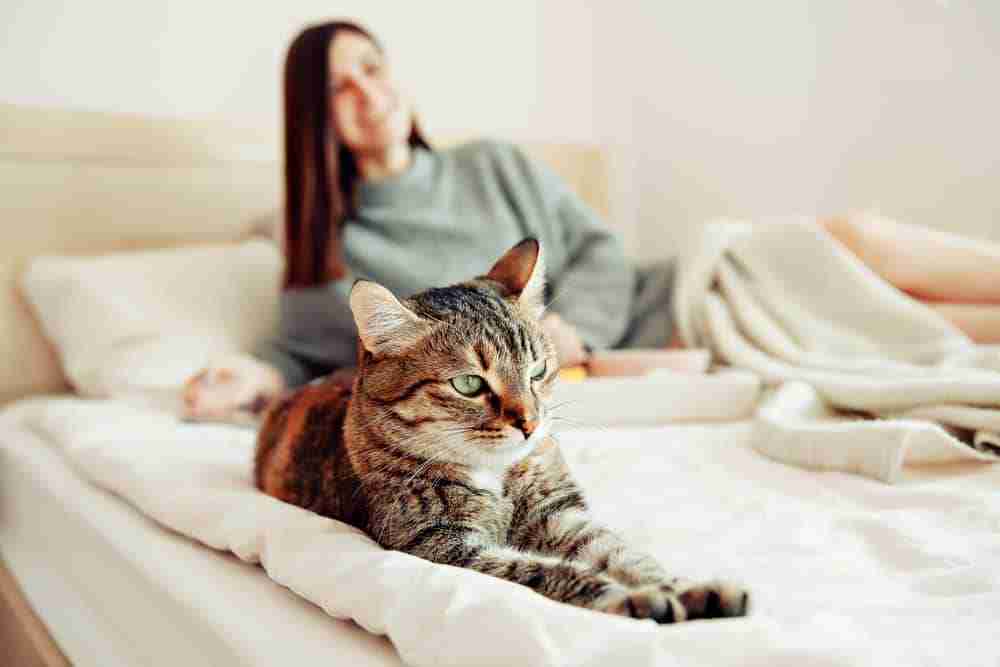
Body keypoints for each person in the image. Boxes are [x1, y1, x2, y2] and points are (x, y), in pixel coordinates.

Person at [184, 19, 1000, 421]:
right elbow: (307, 349)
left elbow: (602, 251)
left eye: (372, 66)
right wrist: (252, 375)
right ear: (313, 118)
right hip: (672, 349)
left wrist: (578, 332)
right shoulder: (329, 246)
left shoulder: (491, 162)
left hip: (678, 294)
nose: (368, 92)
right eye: (339, 87)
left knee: (857, 240)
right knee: (915, 324)